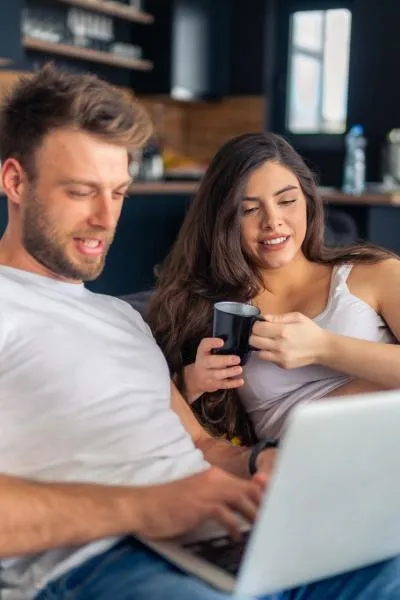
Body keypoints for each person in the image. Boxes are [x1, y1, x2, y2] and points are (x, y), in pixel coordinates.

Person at [0, 66, 399, 600]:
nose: (105, 218)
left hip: (229, 535)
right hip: (103, 558)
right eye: (80, 191)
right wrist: (150, 506)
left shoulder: (121, 319)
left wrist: (263, 464)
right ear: (14, 181)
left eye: (118, 192)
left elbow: (202, 446)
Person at [148, 132, 400, 444]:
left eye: (287, 201)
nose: (273, 221)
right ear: (223, 220)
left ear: (307, 201)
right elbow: (149, 418)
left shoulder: (374, 273)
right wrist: (189, 384)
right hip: (299, 467)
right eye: (250, 209)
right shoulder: (209, 311)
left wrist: (323, 347)